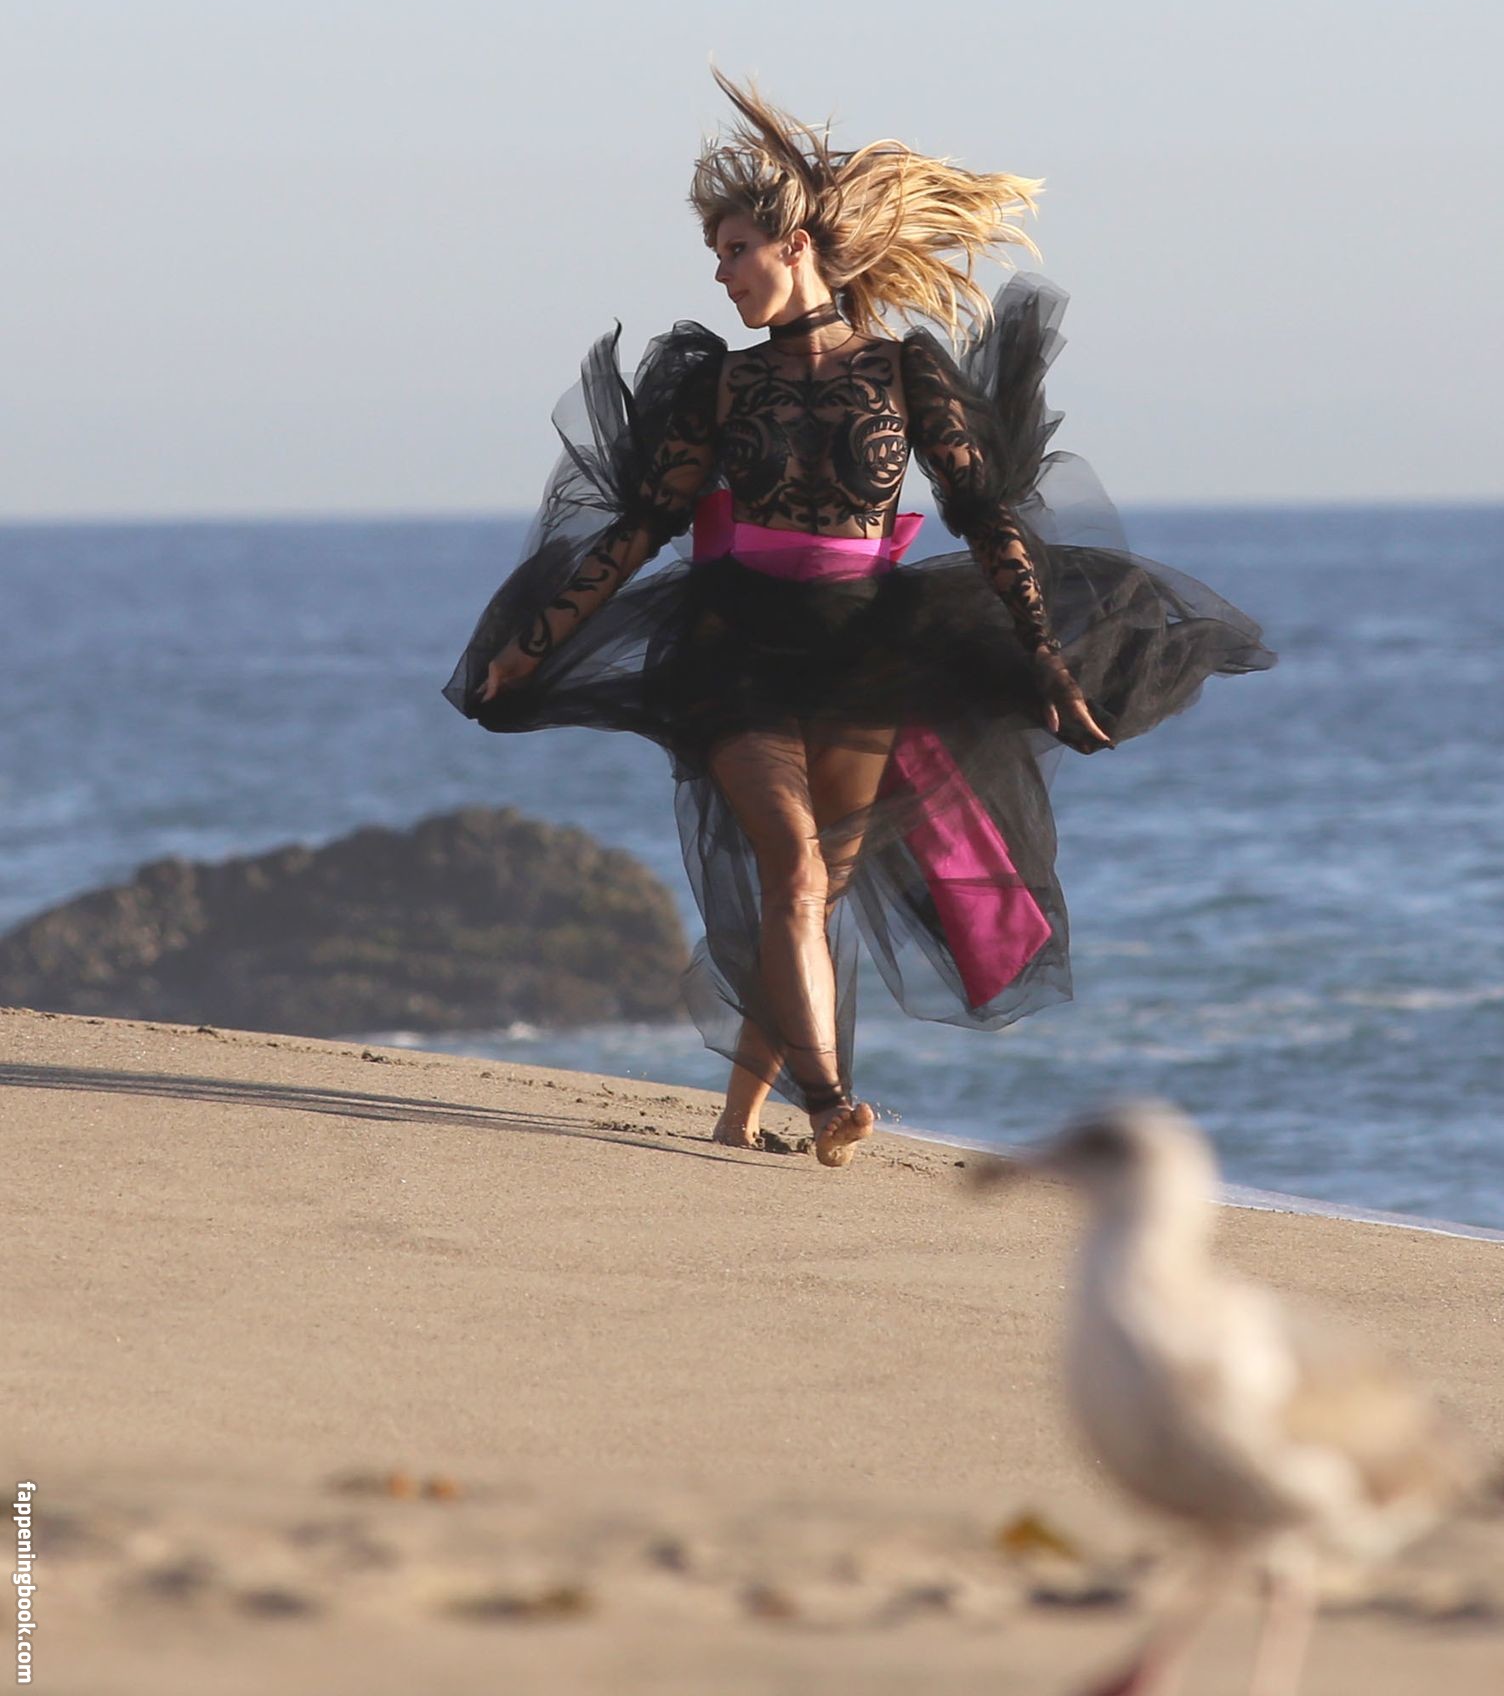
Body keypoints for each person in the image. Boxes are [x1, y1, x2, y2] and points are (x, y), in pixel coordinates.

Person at [443, 67, 1275, 1169]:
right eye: (715, 255)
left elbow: (985, 518)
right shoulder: (722, 385)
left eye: (735, 249)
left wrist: (1047, 660)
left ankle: (739, 1114)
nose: (721, 272)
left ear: (795, 247)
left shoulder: (901, 370)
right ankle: (831, 1100)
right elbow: (640, 527)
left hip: (866, 651)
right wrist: (530, 645)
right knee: (793, 874)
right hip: (735, 648)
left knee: (812, 892)